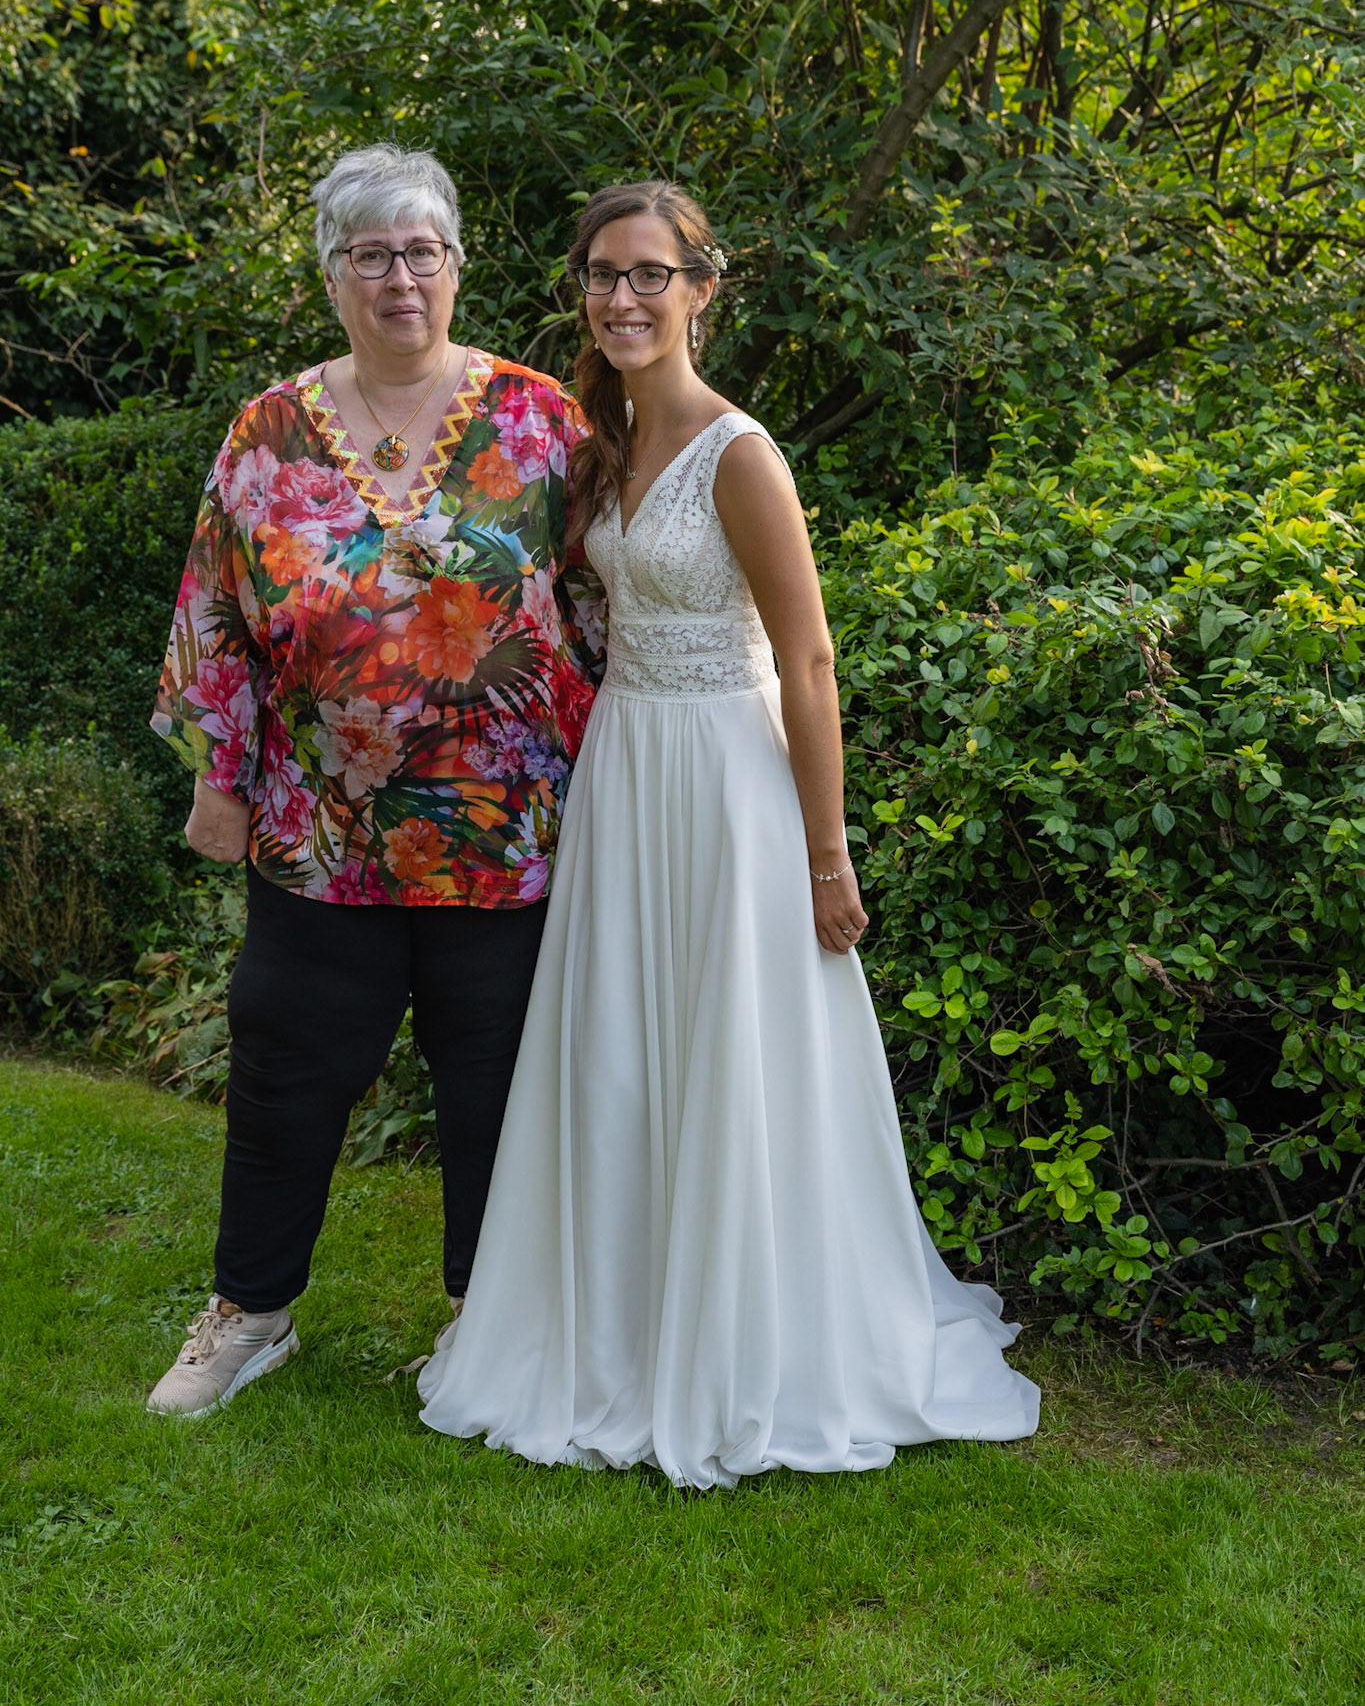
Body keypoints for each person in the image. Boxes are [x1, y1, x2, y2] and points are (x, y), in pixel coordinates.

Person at [417, 181, 1039, 1485]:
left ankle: (751, 1334)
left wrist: (827, 854)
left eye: (650, 273)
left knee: (734, 1050)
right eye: (603, 274)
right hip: (628, 773)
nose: (623, 297)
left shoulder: (740, 453)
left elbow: (807, 661)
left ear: (701, 288)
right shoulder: (601, 439)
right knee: (622, 1052)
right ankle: (622, 1323)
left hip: (727, 783)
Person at [144, 143, 604, 1417]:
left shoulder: (541, 419)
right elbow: (217, 607)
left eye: (422, 251)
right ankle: (250, 1312)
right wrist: (219, 777)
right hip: (317, 829)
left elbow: (607, 602)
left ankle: (488, 1325)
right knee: (284, 1066)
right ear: (333, 274)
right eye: (372, 255)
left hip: (510, 831)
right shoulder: (269, 430)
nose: (401, 278)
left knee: (499, 1086)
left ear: (456, 265)